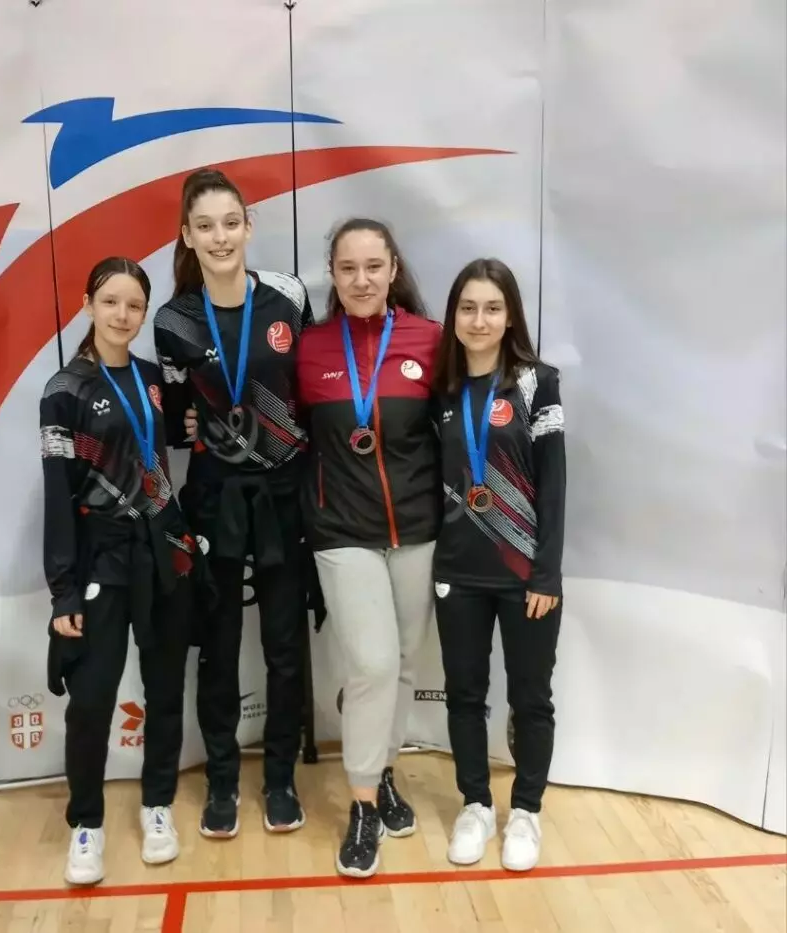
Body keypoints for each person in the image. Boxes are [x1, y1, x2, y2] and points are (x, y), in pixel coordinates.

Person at [153, 168, 313, 839]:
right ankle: (222, 780)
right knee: (217, 648)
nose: (219, 237)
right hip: (215, 497)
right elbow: (174, 423)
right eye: (204, 226)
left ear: (248, 226)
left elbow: (310, 391)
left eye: (229, 222)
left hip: (283, 495)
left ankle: (279, 779)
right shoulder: (173, 320)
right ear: (187, 236)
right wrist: (186, 423)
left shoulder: (289, 296)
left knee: (284, 647)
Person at [41, 257, 206, 885]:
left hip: (161, 552)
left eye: (134, 305)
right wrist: (63, 591)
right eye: (110, 301)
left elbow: (175, 442)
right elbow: (58, 494)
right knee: (91, 701)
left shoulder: (152, 379)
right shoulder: (64, 389)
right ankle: (86, 823)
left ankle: (157, 805)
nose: (123, 315)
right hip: (100, 559)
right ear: (88, 304)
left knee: (165, 689)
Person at [296, 218, 443, 878]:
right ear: (332, 273)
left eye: (373, 267)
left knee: (404, 662)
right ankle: (361, 805)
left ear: (393, 270)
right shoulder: (310, 348)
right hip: (341, 531)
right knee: (373, 662)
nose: (361, 280)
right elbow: (280, 425)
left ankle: (383, 771)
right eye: (348, 268)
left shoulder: (428, 340)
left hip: (417, 528)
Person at [430, 257, 566, 873]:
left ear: (510, 315)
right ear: (453, 316)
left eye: (491, 308)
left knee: (531, 698)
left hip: (524, 576)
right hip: (458, 572)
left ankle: (527, 811)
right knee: (465, 694)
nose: (479, 320)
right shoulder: (441, 388)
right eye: (467, 308)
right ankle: (476, 805)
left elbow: (554, 485)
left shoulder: (538, 383)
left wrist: (546, 573)